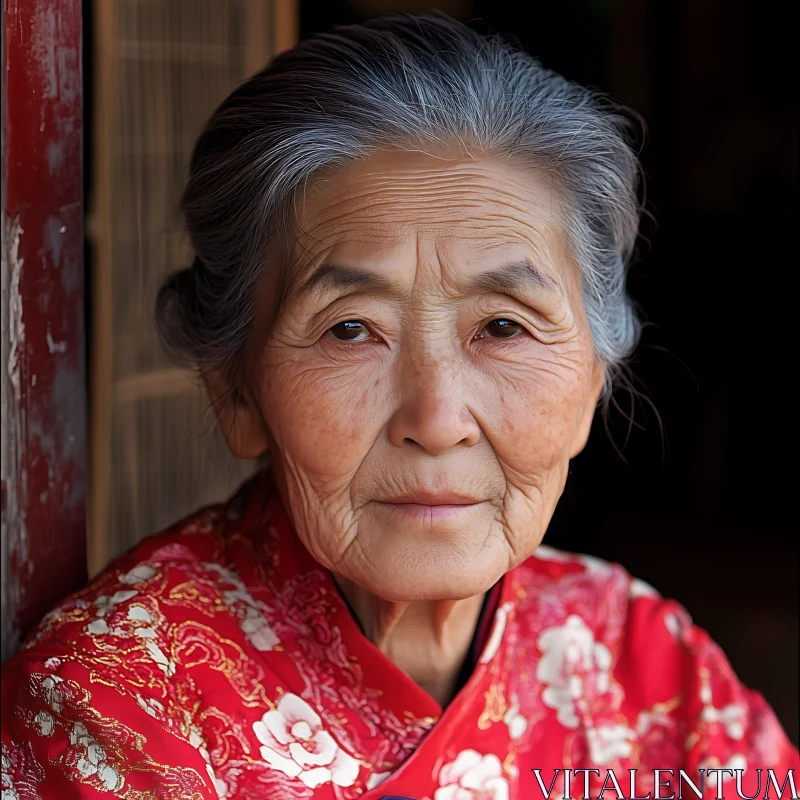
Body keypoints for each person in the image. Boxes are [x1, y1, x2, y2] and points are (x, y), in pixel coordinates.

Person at [2, 12, 797, 800]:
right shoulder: (117, 704)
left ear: (591, 383)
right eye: (352, 329)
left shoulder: (644, 663)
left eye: (502, 327)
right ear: (234, 390)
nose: (438, 417)